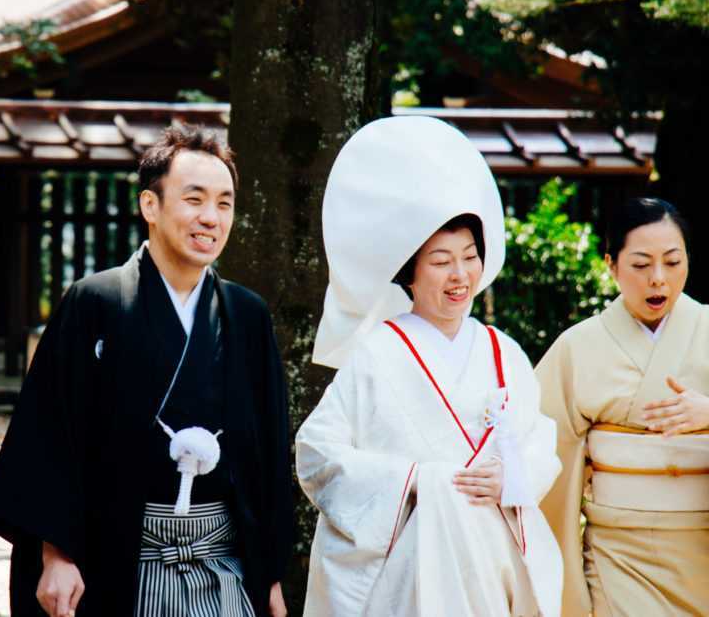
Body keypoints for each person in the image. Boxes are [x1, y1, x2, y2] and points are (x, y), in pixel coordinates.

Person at [0, 124, 293, 617]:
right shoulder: (95, 303)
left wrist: (270, 573)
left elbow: (269, 456)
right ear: (150, 205)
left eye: (224, 203)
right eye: (195, 199)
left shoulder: (246, 315)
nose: (211, 217)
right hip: (117, 561)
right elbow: (49, 438)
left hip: (224, 564)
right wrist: (56, 553)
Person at [296, 116, 564, 616]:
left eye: (469, 256)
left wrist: (511, 475)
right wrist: (413, 480)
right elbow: (317, 455)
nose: (460, 275)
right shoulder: (377, 352)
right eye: (441, 261)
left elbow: (538, 443)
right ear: (411, 273)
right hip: (409, 568)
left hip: (491, 563)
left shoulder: (504, 351)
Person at [537, 198, 709, 616]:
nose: (658, 279)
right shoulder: (577, 347)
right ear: (611, 265)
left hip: (701, 551)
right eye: (640, 264)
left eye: (672, 262)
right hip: (617, 555)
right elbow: (539, 453)